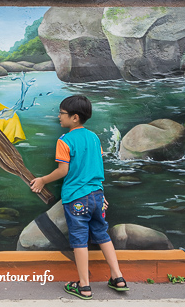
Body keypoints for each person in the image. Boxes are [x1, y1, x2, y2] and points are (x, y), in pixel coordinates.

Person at [30, 95, 128, 299]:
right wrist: (100, 196)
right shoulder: (94, 137)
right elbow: (97, 167)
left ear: (74, 117)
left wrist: (42, 180)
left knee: (79, 241)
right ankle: (118, 277)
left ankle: (84, 286)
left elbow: (63, 171)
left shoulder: (64, 140)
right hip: (96, 195)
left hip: (76, 198)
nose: (58, 116)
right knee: (103, 235)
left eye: (61, 113)